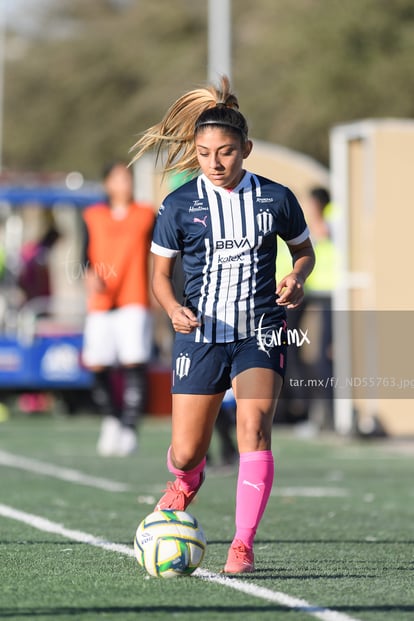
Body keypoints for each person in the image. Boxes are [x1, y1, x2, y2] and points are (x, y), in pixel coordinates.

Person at [130, 76, 315, 573]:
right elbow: (161, 279)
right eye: (206, 152)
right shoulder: (179, 205)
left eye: (227, 152)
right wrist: (172, 309)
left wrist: (296, 277)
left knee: (255, 428)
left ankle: (243, 543)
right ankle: (186, 481)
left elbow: (304, 252)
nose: (215, 162)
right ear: (196, 150)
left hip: (259, 330)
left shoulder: (276, 198)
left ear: (246, 149)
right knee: (189, 452)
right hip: (200, 335)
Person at [81, 161, 155, 456]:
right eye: (118, 178)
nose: (125, 183)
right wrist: (88, 275)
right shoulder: (94, 216)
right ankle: (111, 419)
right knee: (98, 363)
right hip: (101, 301)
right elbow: (84, 255)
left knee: (133, 362)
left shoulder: (145, 214)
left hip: (133, 297)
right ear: (107, 184)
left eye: (128, 178)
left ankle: (129, 426)